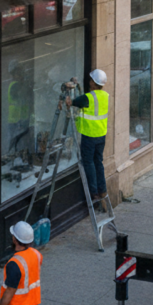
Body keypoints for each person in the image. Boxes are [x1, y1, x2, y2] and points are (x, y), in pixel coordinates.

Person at [67, 68, 109, 210]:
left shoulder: (89, 97)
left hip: (90, 136)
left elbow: (75, 102)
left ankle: (94, 194)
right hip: (101, 136)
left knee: (89, 163)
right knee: (98, 163)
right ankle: (103, 191)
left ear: (93, 83)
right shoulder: (105, 96)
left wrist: (68, 101)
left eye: (91, 80)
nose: (89, 82)